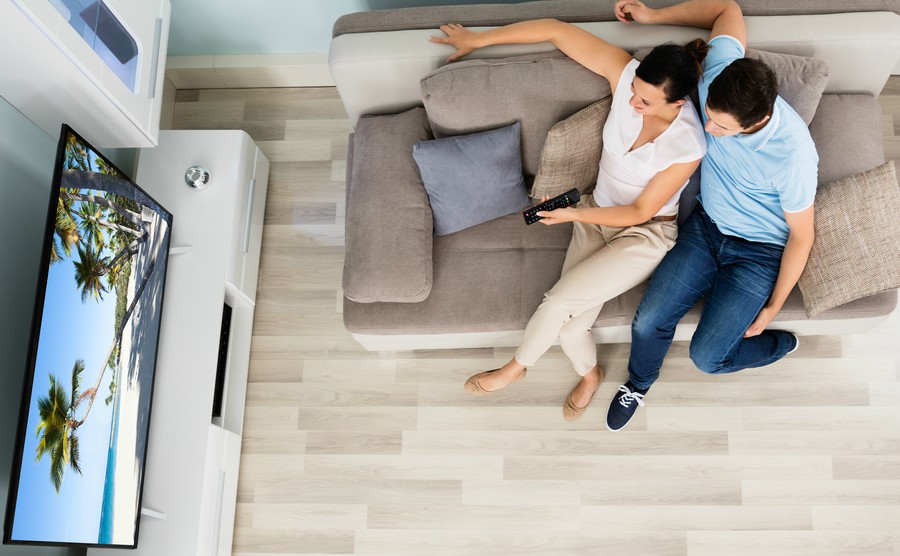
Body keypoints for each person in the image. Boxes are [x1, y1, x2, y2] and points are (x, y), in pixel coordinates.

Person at [430, 19, 707, 419]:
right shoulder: (626, 73)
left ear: (677, 103)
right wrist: (478, 39)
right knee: (572, 326)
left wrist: (572, 213)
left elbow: (640, 211)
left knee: (559, 301)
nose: (632, 103)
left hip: (644, 234)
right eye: (633, 92)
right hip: (597, 214)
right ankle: (591, 375)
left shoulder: (688, 143)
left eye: (645, 102)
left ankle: (515, 368)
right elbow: (555, 30)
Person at [605, 0, 818, 432]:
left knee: (708, 358)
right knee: (649, 320)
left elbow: (802, 236)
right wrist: (651, 16)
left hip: (758, 252)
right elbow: (728, 8)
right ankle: (639, 384)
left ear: (757, 121)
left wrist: (773, 307)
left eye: (720, 128)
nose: (708, 130)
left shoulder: (793, 157)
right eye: (708, 118)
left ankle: (778, 347)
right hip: (706, 227)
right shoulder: (722, 73)